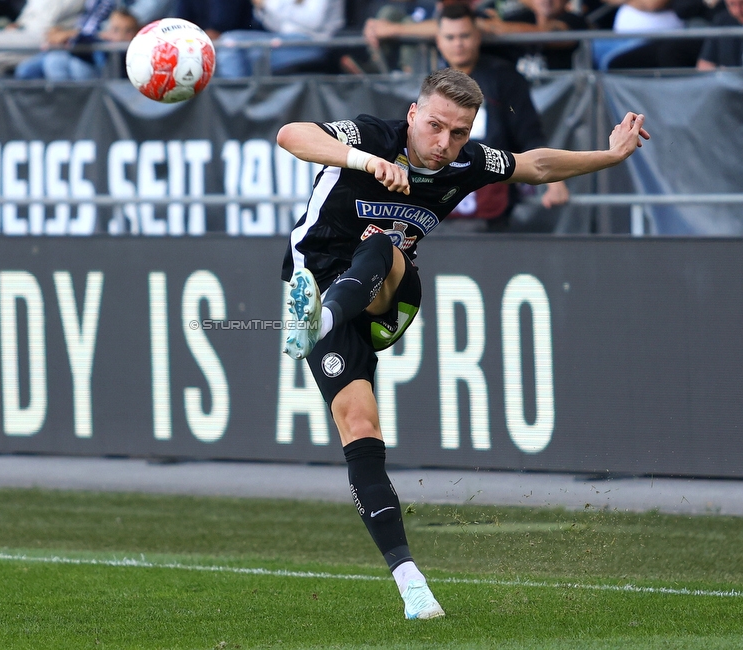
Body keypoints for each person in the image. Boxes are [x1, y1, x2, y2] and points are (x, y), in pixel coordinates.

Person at [275, 67, 648, 619]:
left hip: (389, 295)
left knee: (382, 247)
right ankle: (412, 586)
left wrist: (610, 156)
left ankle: (321, 322)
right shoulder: (371, 136)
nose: (444, 143)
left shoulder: (467, 163)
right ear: (412, 115)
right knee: (360, 426)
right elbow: (290, 135)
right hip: (320, 278)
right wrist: (362, 161)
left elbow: (534, 164)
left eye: (459, 132)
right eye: (435, 126)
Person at [434, 2, 569, 231]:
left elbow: (529, 133)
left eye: (464, 35)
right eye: (450, 37)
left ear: (478, 36)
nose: (458, 44)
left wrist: (554, 181)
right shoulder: (431, 85)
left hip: (495, 200)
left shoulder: (504, 79)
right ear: (439, 41)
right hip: (440, 202)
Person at [216, 0, 345, 77]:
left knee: (243, 51)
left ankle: (236, 107)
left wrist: (267, 5)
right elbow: (278, 26)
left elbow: (313, 21)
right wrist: (260, 8)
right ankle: (237, 102)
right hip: (286, 39)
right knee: (229, 41)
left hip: (314, 44)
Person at [14, 5, 137, 80]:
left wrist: (68, 36)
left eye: (115, 30)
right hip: (67, 46)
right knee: (25, 70)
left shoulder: (127, 51)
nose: (110, 32)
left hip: (89, 64)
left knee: (59, 62)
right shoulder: (93, 7)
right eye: (111, 28)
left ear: (130, 34)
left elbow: (87, 42)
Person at [696, 0, 743, 69]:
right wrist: (720, 75)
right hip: (727, 78)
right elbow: (704, 64)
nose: (738, 10)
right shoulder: (721, 21)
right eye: (732, 4)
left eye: (742, 4)